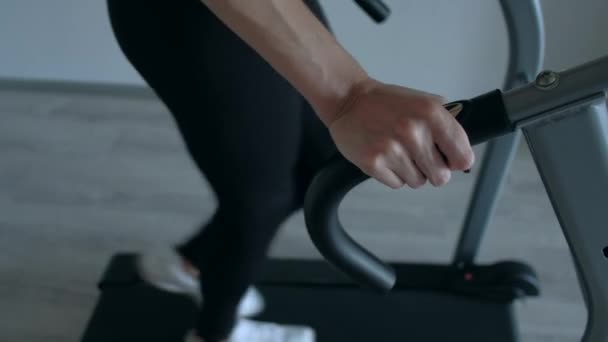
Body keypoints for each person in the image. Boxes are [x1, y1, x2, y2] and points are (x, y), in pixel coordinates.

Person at [107, 0, 475, 341]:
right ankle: (214, 332)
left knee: (316, 164)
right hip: (193, 16)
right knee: (259, 200)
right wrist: (351, 94)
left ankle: (189, 263)